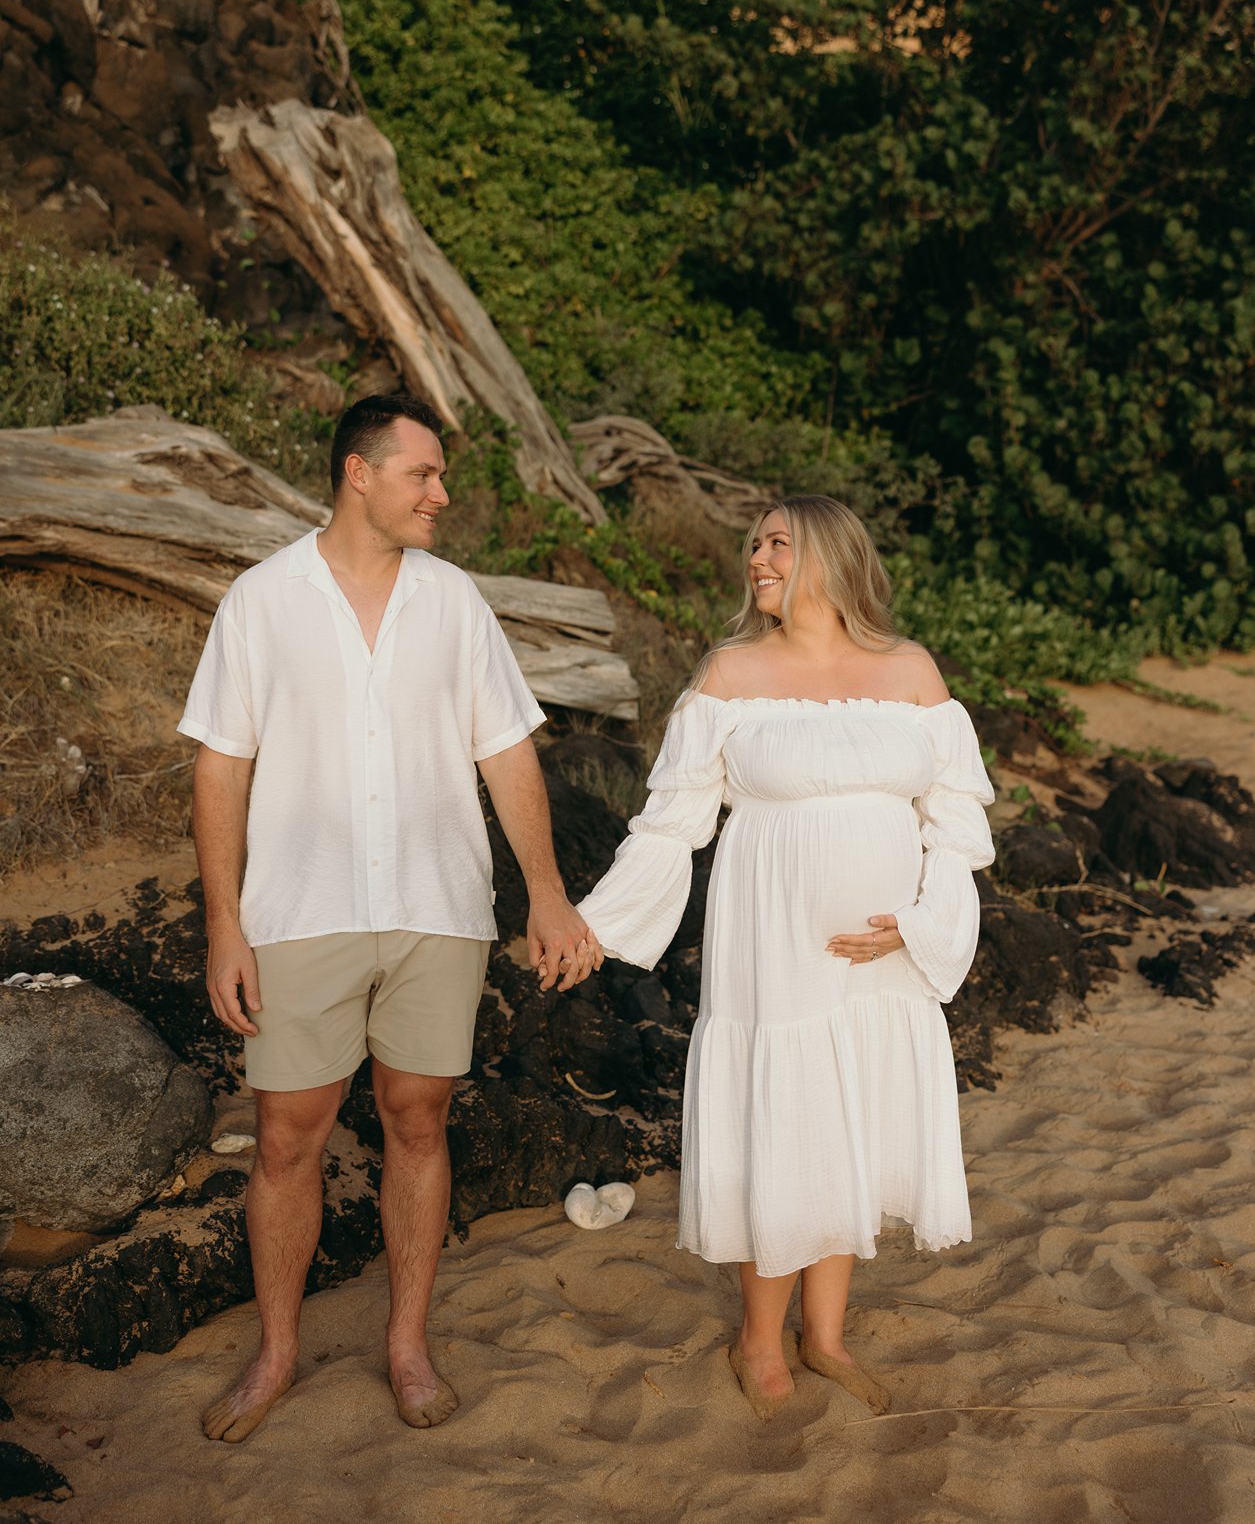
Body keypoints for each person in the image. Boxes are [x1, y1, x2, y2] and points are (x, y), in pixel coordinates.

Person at [180, 394, 598, 1443]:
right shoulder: (261, 602)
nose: (441, 496)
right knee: (286, 1140)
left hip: (437, 905)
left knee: (419, 1120)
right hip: (300, 910)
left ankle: (406, 1346)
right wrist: (225, 925)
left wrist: (544, 891)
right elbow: (220, 766)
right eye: (424, 475)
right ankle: (276, 1353)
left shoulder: (455, 604)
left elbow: (505, 751)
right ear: (357, 474)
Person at [575, 495, 995, 1420]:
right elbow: (673, 820)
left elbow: (958, 828)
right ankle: (759, 1340)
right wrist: (594, 925)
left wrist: (922, 923)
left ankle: (828, 1336)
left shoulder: (910, 670)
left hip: (881, 955)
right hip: (770, 939)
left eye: (775, 542)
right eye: (751, 544)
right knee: (787, 1114)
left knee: (851, 1116)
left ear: (832, 556)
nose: (756, 558)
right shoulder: (731, 671)